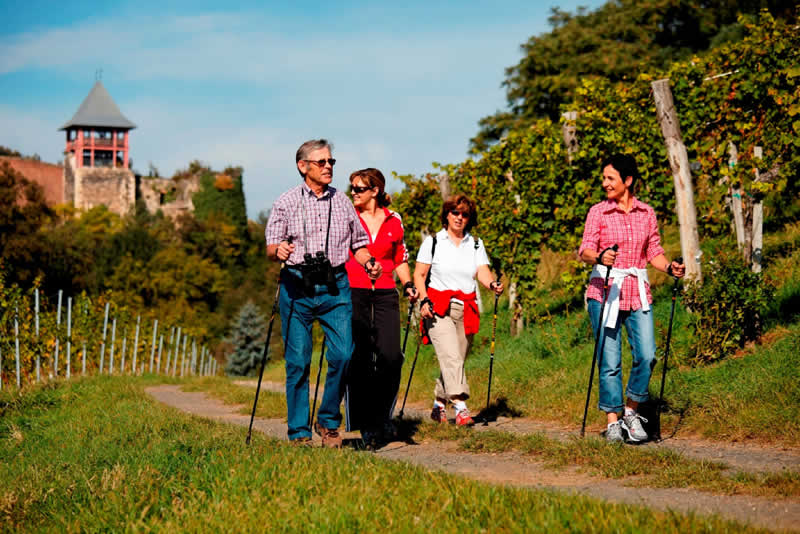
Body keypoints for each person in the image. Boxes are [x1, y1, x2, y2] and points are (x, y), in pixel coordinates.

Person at [265, 139, 382, 448]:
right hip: (297, 286)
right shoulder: (285, 202)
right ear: (303, 167)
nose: (329, 166)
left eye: (331, 161)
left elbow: (358, 243)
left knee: (344, 354)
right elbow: (270, 246)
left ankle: (328, 421)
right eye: (322, 162)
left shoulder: (342, 202)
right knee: (298, 361)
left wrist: (369, 261)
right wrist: (280, 249)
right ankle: (299, 433)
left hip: (335, 286)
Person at [578, 154, 685, 443]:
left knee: (647, 355)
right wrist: (600, 256)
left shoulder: (646, 213)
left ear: (628, 181)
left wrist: (669, 267)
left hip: (636, 291)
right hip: (605, 292)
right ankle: (613, 421)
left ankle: (631, 411)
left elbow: (654, 252)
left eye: (610, 178)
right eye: (604, 178)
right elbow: (585, 250)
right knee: (610, 361)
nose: (605, 184)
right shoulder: (598, 212)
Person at [414, 194, 504, 426]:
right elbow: (419, 275)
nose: (459, 217)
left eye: (465, 214)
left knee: (457, 359)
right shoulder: (433, 242)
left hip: (466, 308)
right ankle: (461, 408)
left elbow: (482, 270)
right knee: (451, 356)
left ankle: (439, 405)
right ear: (446, 215)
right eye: (455, 212)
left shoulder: (475, 243)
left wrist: (492, 284)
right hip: (437, 307)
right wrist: (423, 301)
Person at [344, 168, 418, 448]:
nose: (354, 192)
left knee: (390, 356)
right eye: (352, 187)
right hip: (354, 291)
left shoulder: (394, 219)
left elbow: (400, 258)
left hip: (386, 292)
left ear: (375, 191)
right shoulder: (349, 217)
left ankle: (381, 418)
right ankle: (360, 425)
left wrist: (409, 284)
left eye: (359, 188)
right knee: (360, 358)